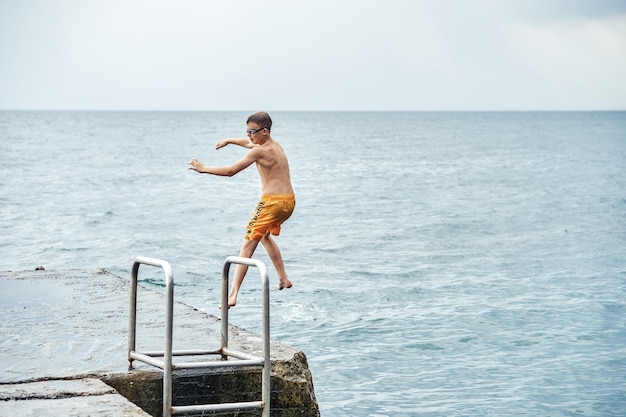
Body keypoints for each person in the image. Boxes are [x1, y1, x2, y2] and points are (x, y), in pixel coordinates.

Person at [188, 112, 295, 307]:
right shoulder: (274, 145)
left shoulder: (259, 151)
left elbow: (230, 171)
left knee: (247, 244)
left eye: (252, 132)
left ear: (264, 131)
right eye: (247, 132)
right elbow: (248, 144)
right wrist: (229, 140)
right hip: (288, 203)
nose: (248, 136)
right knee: (264, 236)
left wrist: (203, 169)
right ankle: (283, 278)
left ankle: (232, 294)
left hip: (271, 203)